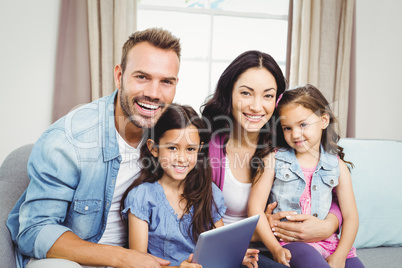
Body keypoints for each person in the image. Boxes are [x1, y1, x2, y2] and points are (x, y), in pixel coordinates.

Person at [7, 27, 183, 268]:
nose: (154, 93)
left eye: (166, 82)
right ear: (119, 75)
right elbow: (34, 230)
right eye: (142, 77)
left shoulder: (168, 134)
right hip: (72, 260)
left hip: (140, 259)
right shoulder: (69, 138)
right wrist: (123, 258)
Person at [202, 51, 344, 268]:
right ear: (229, 92)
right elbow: (191, 219)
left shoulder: (289, 141)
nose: (257, 107)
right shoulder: (207, 147)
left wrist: (329, 225)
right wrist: (261, 230)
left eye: (267, 95)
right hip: (233, 251)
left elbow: (325, 189)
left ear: (277, 100)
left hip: (278, 247)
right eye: (246, 93)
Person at [121, 104, 259, 267]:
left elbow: (219, 244)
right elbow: (138, 263)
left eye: (190, 149)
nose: (182, 158)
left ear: (199, 149)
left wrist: (233, 254)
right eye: (172, 148)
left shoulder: (209, 191)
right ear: (154, 148)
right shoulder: (142, 197)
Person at [248, 84, 365, 267]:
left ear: (324, 120)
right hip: (292, 242)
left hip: (331, 243)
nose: (295, 134)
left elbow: (351, 216)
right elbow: (254, 209)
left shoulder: (337, 165)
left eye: (303, 124)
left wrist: (340, 255)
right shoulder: (273, 160)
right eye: (287, 128)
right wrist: (274, 248)